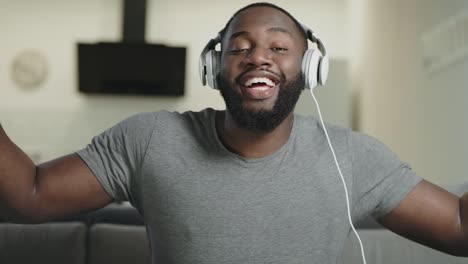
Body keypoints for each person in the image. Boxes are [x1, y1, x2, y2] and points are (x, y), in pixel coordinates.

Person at [0, 2, 467, 263]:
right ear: (214, 67)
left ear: (311, 69)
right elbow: (32, 194)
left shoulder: (352, 157)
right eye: (239, 47)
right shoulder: (148, 139)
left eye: (280, 47)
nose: (258, 56)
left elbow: (459, 229)